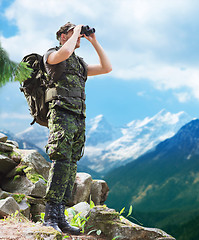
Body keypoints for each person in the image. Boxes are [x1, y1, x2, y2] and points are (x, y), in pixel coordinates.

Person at [42, 22, 112, 234]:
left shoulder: (79, 64)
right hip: (61, 115)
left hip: (77, 118)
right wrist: (75, 29)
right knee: (61, 161)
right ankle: (50, 216)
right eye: (75, 35)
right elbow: (64, 52)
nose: (79, 37)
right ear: (62, 36)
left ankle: (61, 216)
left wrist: (94, 41)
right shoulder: (52, 55)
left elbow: (106, 67)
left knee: (71, 164)